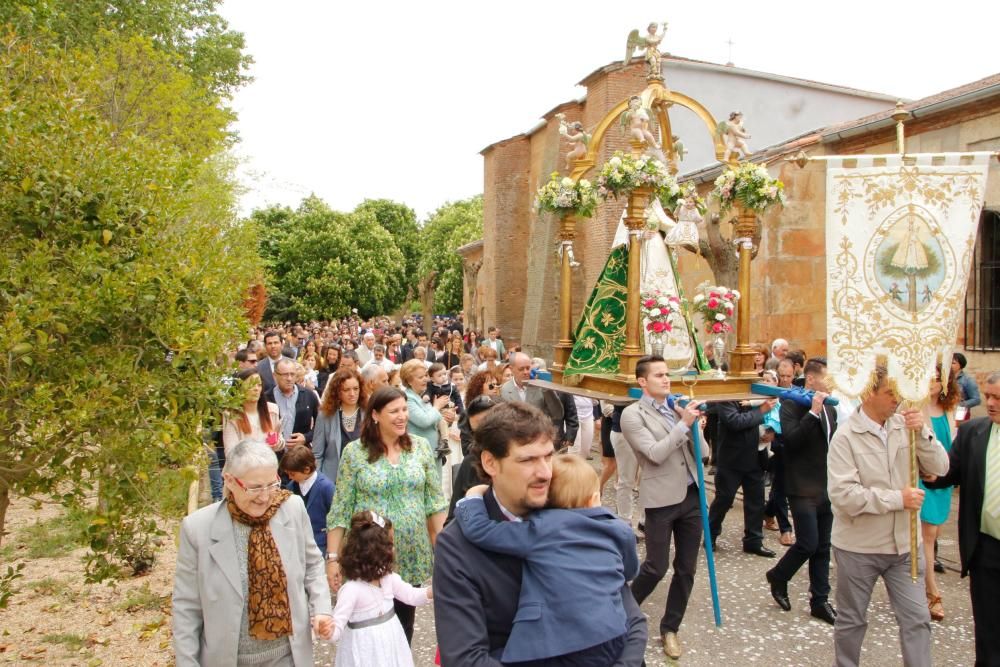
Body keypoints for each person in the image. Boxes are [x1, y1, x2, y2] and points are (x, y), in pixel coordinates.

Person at [433, 401, 648, 666]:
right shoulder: (457, 546)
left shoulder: (572, 514)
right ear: (490, 462)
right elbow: (466, 659)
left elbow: (632, 618)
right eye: (528, 459)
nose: (546, 472)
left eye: (548, 456)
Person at [453, 454, 639, 666]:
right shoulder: (618, 530)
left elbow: (480, 530)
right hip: (610, 634)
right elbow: (630, 570)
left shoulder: (540, 528)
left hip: (551, 642)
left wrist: (473, 497)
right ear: (593, 499)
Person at [827, 365, 949, 667]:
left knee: (917, 620)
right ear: (869, 393)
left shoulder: (905, 425)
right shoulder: (845, 437)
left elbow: (942, 467)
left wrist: (922, 431)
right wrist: (897, 499)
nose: (897, 400)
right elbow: (844, 496)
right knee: (852, 622)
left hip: (905, 545)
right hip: (859, 547)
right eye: (890, 393)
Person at [172, 441, 333, 666]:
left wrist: (322, 608)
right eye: (255, 488)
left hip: (288, 657)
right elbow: (186, 608)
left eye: (272, 484)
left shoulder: (292, 509)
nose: (265, 497)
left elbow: (313, 565)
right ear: (229, 480)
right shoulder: (198, 529)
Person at [326, 386, 447, 643]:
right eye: (394, 411)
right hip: (367, 556)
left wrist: (447, 555)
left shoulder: (421, 448)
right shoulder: (354, 453)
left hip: (410, 557)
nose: (402, 416)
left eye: (404, 409)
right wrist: (333, 558)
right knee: (367, 631)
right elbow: (340, 508)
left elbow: (434, 505)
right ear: (375, 415)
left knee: (403, 630)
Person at [620, 355, 704, 660]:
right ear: (643, 381)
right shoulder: (632, 415)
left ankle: (670, 628)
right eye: (659, 375)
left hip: (692, 494)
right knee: (656, 566)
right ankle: (620, 611)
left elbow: (703, 454)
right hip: (661, 498)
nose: (666, 379)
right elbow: (654, 454)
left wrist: (697, 428)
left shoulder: (677, 408)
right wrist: (683, 426)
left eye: (667, 374)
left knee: (687, 568)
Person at [924, 370, 1000, 664]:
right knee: (988, 632)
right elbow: (946, 473)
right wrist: (926, 468)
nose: (990, 403)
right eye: (989, 396)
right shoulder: (973, 433)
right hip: (986, 549)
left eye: (997, 398)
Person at [766, 358, 838, 624]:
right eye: (827, 379)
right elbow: (792, 441)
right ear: (810, 379)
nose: (831, 385)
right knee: (807, 543)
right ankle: (779, 575)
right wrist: (813, 413)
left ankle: (820, 600)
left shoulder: (831, 409)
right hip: (801, 485)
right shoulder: (791, 405)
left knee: (823, 546)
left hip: (825, 484)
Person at [329, 511, 433, 667]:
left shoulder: (388, 579)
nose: (394, 549)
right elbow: (337, 627)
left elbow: (412, 595)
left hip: (392, 647)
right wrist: (327, 629)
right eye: (390, 544)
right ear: (375, 552)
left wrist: (436, 589)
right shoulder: (351, 590)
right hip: (364, 653)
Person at [708, 395, 779, 558]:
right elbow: (735, 422)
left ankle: (753, 541)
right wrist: (761, 410)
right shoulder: (726, 397)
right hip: (732, 459)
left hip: (755, 457)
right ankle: (711, 535)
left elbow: (774, 415)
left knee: (756, 502)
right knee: (724, 500)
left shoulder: (757, 393)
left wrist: (771, 431)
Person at [917, 364, 959, 622]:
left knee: (933, 533)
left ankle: (917, 579)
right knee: (928, 534)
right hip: (923, 478)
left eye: (937, 378)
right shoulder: (918, 407)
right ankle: (931, 591)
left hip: (943, 477)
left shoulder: (949, 408)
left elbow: (952, 442)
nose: (933, 382)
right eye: (929, 377)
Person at [501, 352, 577, 452]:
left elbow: (558, 414)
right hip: (517, 443)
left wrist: (547, 389)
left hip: (540, 441)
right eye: (521, 369)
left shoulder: (540, 386)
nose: (526, 372)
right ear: (512, 369)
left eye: (528, 368)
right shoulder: (505, 389)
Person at [282, 444, 334, 558]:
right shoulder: (291, 486)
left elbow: (334, 518)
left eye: (292, 474)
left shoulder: (326, 487)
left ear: (306, 469)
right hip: (298, 544)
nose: (290, 477)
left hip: (320, 544)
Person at [221, 368, 283, 456]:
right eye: (251, 385)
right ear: (239, 388)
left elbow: (279, 443)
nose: (256, 389)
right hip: (243, 467)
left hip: (267, 466)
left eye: (259, 385)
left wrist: (276, 442)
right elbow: (230, 452)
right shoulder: (230, 414)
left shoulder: (272, 409)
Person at [399, 359, 456, 455]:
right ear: (409, 381)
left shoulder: (422, 396)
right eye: (420, 377)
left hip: (433, 452)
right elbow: (424, 421)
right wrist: (437, 406)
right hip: (419, 454)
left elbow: (435, 421)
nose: (426, 379)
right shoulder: (407, 398)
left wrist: (448, 419)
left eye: (425, 375)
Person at [272, 358, 319, 449]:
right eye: (285, 375)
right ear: (275, 376)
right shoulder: (268, 398)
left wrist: (306, 438)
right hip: (274, 455)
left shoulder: (308, 395)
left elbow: (321, 424)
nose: (289, 378)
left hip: (299, 455)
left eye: (292, 374)